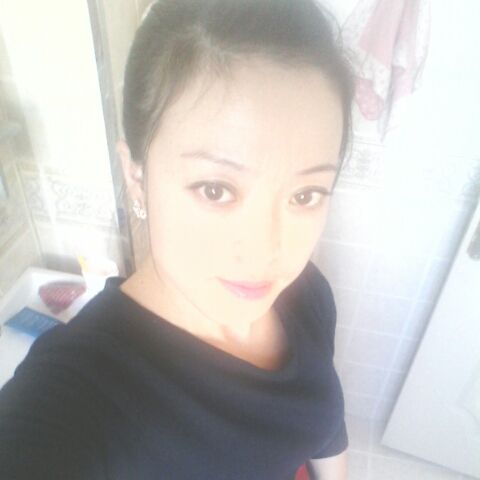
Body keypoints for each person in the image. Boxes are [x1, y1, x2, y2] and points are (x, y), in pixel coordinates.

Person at [0, 0, 355, 478]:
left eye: (305, 195)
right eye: (216, 190)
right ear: (136, 176)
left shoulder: (307, 293)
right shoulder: (76, 397)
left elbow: (325, 423)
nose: (267, 250)